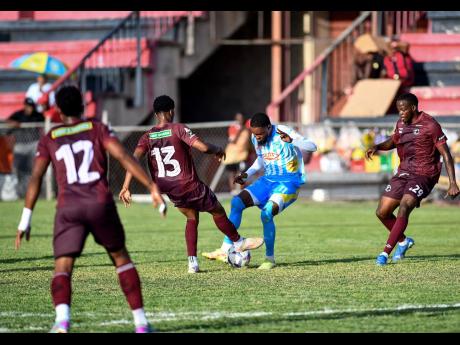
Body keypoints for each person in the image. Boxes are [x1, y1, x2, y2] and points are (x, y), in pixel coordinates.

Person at [14, 86, 166, 333]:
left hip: (68, 208)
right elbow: (124, 157)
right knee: (121, 259)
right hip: (99, 203)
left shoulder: (50, 138)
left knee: (63, 266)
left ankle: (62, 322)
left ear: (59, 110)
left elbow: (36, 178)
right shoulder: (97, 128)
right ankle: (140, 324)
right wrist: (151, 186)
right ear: (83, 108)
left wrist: (25, 219)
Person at [118, 95, 264, 274]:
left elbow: (133, 159)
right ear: (172, 111)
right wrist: (217, 149)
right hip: (188, 184)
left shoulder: (147, 136)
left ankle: (192, 263)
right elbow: (202, 147)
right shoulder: (178, 129)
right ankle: (238, 241)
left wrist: (125, 186)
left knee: (191, 218)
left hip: (169, 189)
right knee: (217, 210)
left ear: (156, 114)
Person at [202, 113, 317, 269]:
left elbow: (312, 146)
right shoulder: (254, 137)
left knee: (267, 214)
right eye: (255, 134)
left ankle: (269, 259)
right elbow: (261, 160)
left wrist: (292, 141)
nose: (258, 137)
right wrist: (246, 174)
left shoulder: (283, 131)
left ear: (269, 127)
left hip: (288, 182)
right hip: (267, 180)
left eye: (261, 134)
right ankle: (224, 249)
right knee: (236, 203)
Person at [365, 93, 460, 266]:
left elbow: (446, 154)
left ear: (413, 108)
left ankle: (385, 253)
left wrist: (453, 183)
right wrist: (377, 146)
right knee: (382, 212)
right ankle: (403, 241)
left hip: (424, 174)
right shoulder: (401, 123)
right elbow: (394, 141)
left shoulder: (430, 125)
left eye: (403, 109)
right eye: (399, 109)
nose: (400, 113)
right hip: (404, 172)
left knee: (404, 206)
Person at [6, 98, 45, 198]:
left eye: (31, 107)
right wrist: (13, 123)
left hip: (33, 145)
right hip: (20, 146)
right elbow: (7, 122)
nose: (29, 109)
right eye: (28, 106)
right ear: (25, 106)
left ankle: (42, 192)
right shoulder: (19, 114)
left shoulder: (38, 115)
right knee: (17, 169)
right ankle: (18, 193)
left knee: (36, 169)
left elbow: (45, 125)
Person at [224, 113, 251, 194]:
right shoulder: (233, 128)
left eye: (241, 118)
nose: (240, 120)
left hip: (242, 155)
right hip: (231, 155)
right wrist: (240, 130)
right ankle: (233, 191)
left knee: (242, 172)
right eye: (238, 118)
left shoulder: (247, 128)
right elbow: (233, 140)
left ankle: (241, 190)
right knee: (232, 173)